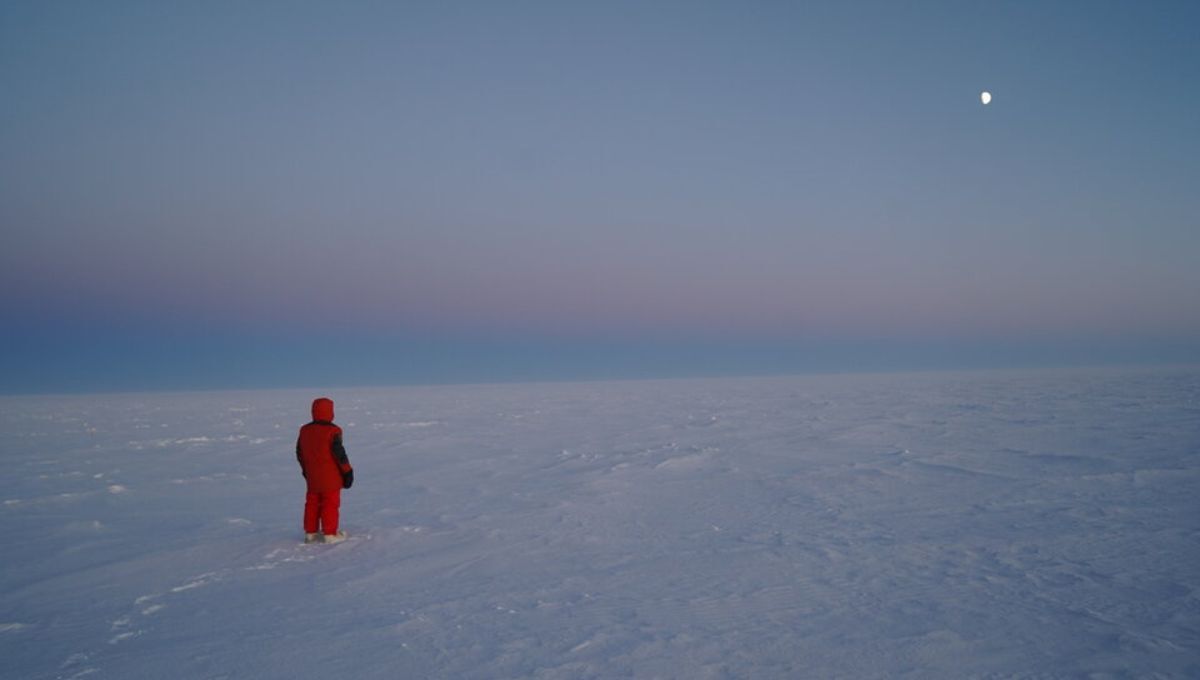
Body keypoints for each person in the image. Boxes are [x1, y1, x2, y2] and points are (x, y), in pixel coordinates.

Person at [296, 397, 354, 543]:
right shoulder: (333, 431)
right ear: (330, 412)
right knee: (330, 503)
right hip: (331, 478)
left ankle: (310, 533)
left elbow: (299, 452)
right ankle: (329, 534)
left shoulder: (304, 430)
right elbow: (340, 455)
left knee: (312, 503)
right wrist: (348, 472)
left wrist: (306, 470)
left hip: (312, 477)